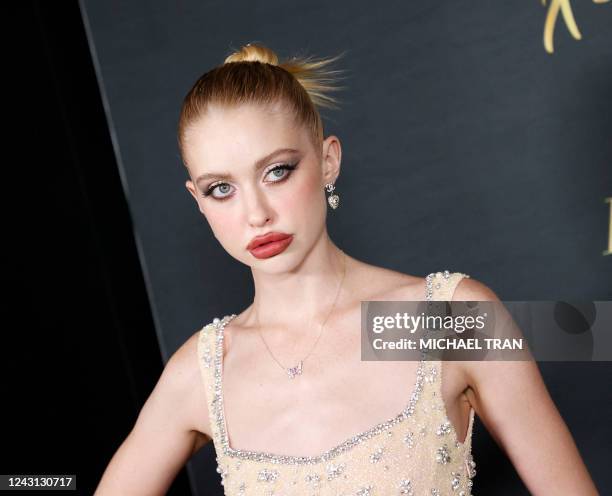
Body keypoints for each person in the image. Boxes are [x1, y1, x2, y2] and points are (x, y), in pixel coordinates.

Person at [95, 43, 599, 495]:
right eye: (220, 189)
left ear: (328, 160)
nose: (256, 213)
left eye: (277, 171)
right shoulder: (205, 373)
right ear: (197, 201)